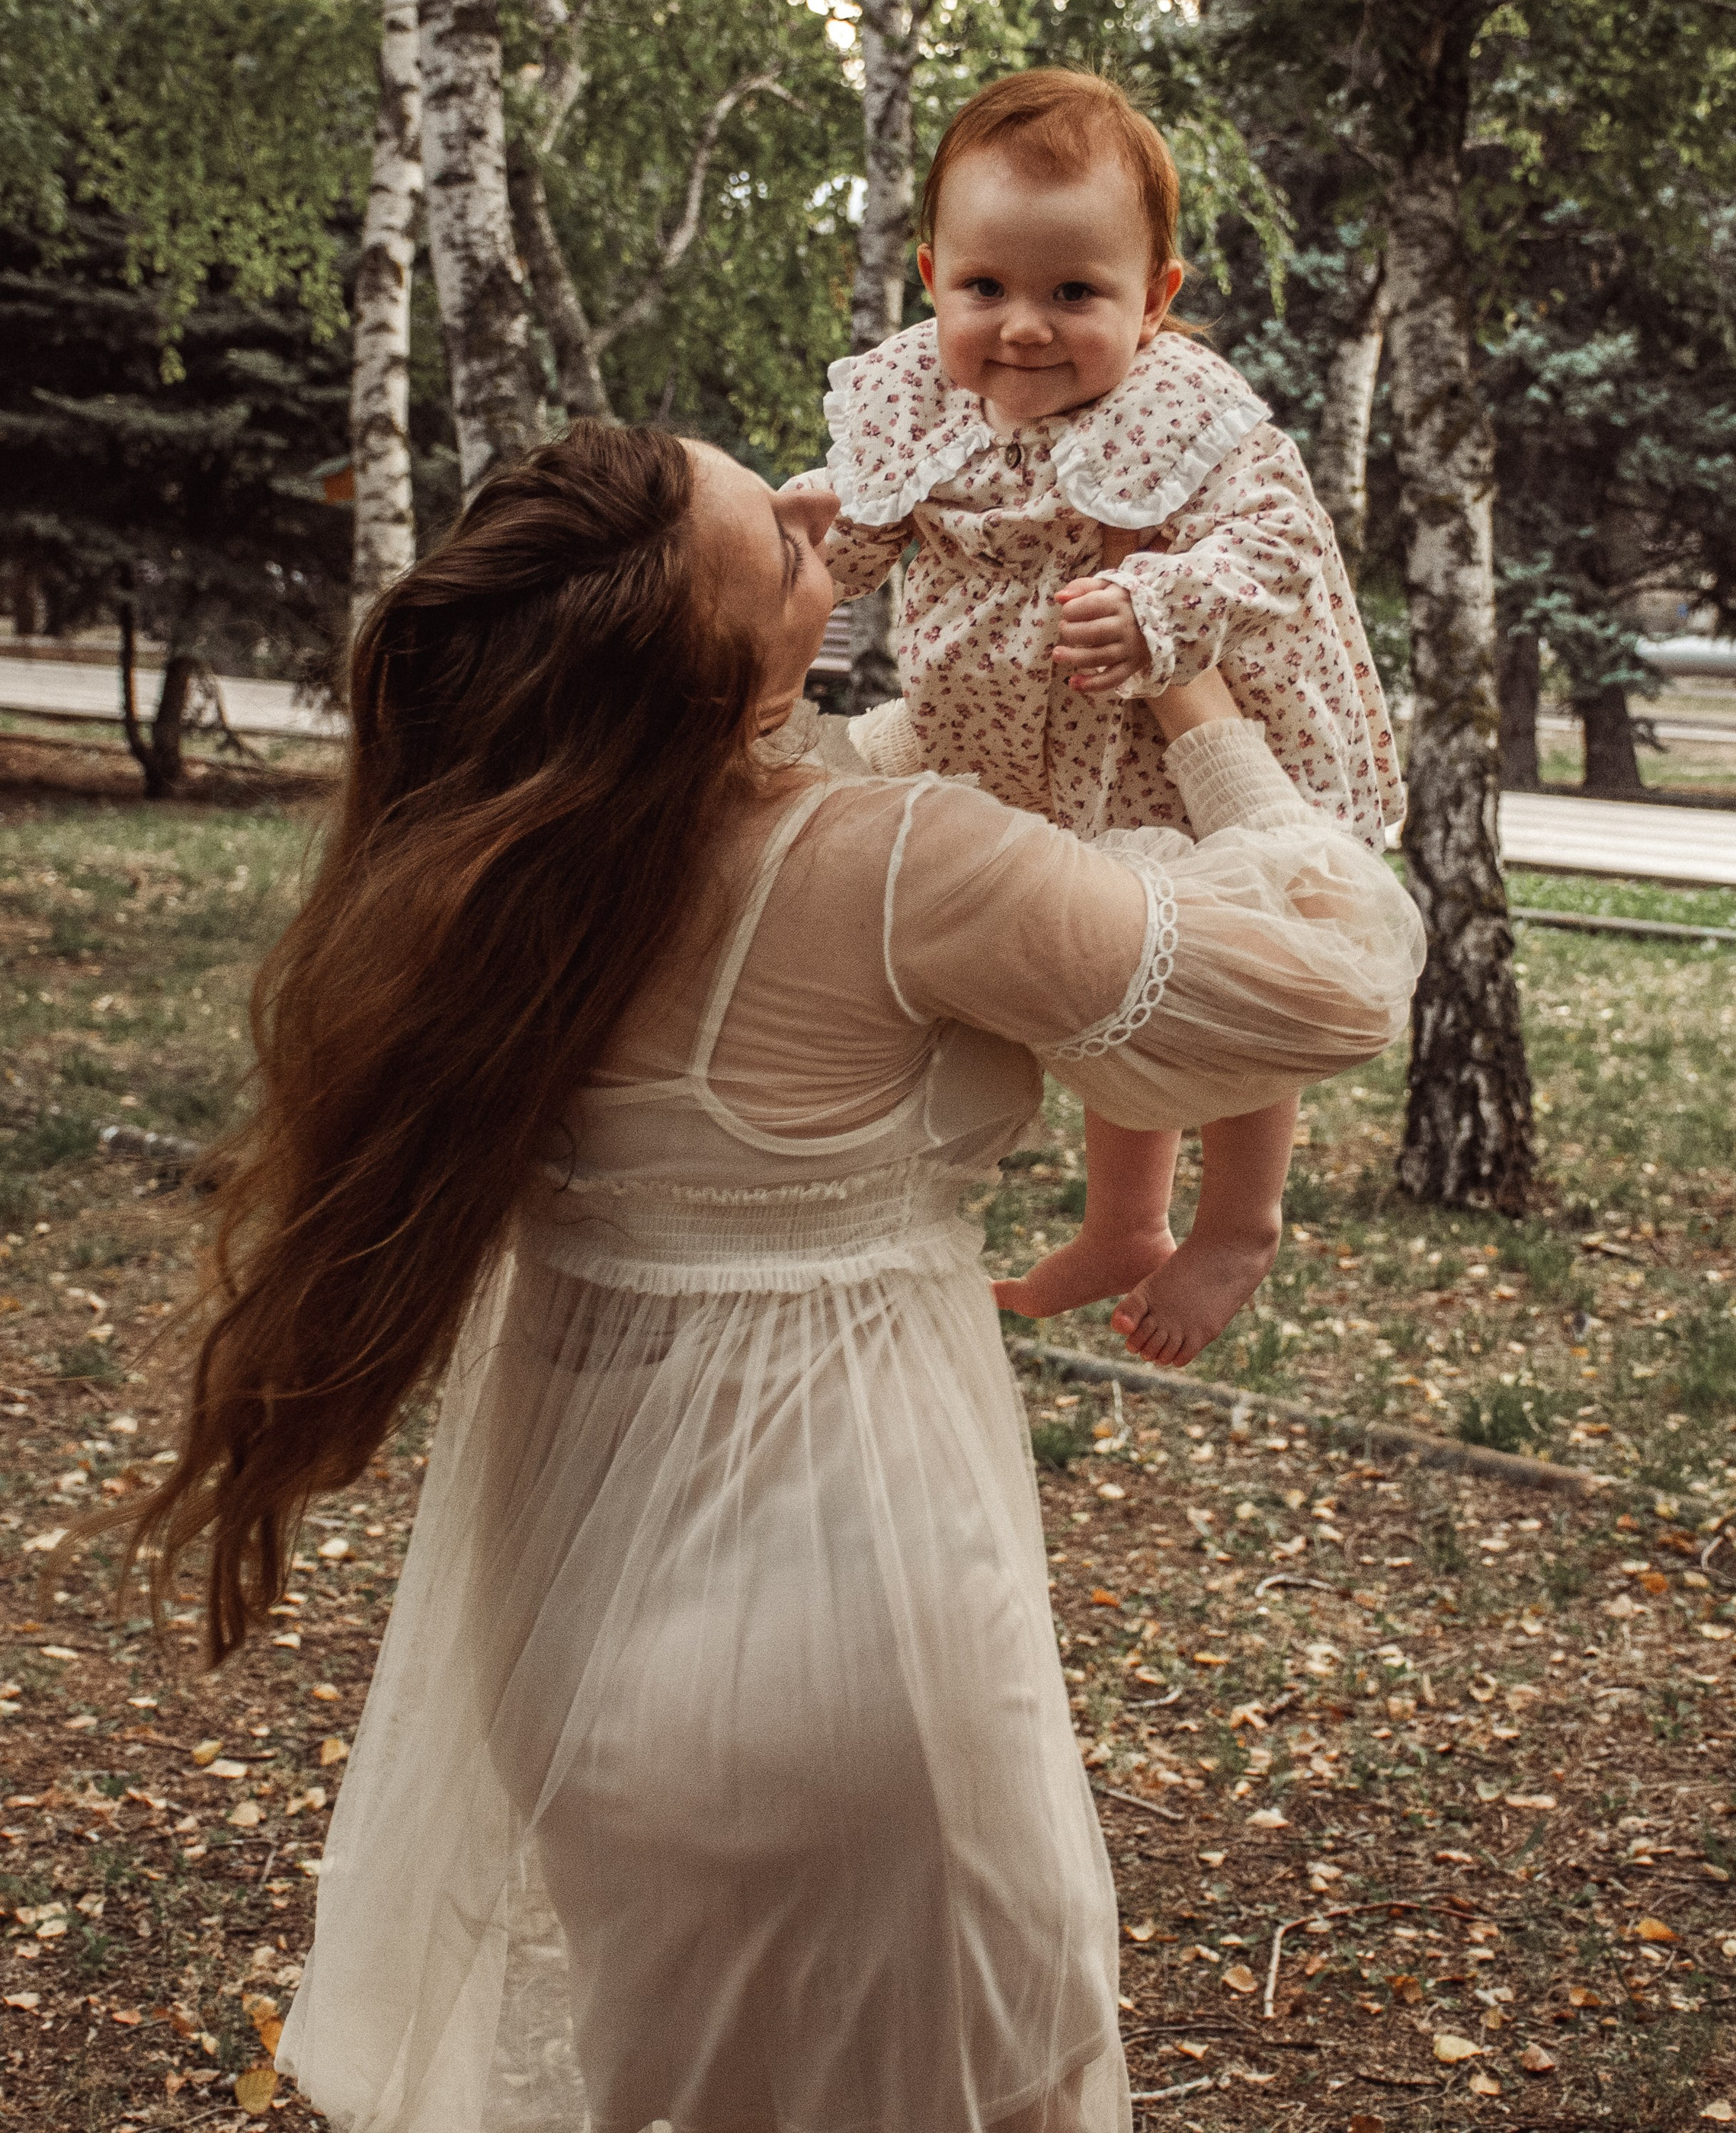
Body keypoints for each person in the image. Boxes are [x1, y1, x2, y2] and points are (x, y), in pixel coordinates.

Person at [117, 422, 1422, 2133]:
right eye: (790, 544)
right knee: (955, 2080)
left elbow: (859, 738)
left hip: (572, 1615)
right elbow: (1334, 977)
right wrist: (1192, 689)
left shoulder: (502, 865)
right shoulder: (904, 863)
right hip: (857, 1608)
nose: (826, 521)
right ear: (722, 670)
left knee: (677, 2083)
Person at [796, 68, 1404, 1367]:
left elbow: (1284, 545)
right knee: (1120, 978)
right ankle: (1125, 1224)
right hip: (1003, 739)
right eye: (986, 287)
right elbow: (858, 530)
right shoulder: (916, 401)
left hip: (1158, 754)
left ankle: (1239, 1222)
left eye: (1076, 293)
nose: (1025, 327)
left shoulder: (1183, 410)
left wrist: (1159, 601)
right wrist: (780, 545)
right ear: (932, 278)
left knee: (1235, 961)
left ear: (1156, 298)